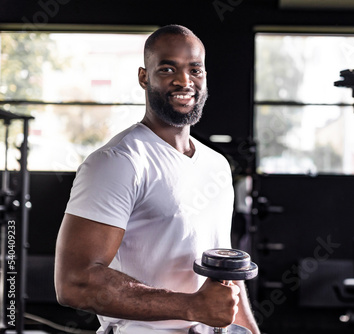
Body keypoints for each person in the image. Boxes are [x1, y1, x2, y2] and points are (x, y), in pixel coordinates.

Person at [54, 24, 260, 334]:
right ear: (143, 77)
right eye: (167, 69)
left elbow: (226, 278)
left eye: (195, 70)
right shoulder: (118, 162)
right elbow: (74, 282)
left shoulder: (216, 165)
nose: (184, 81)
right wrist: (192, 306)